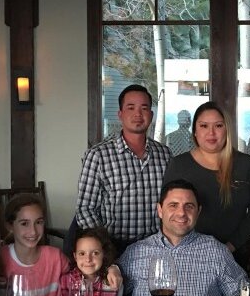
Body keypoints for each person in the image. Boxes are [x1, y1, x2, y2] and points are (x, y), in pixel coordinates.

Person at [68, 84, 172, 257]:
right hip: (113, 246)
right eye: (130, 108)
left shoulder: (164, 154)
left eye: (144, 108)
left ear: (151, 115)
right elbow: (85, 209)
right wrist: (104, 246)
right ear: (120, 114)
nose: (138, 114)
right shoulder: (98, 155)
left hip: (156, 247)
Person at [118, 179, 247, 296]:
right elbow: (108, 289)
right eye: (173, 205)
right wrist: (110, 270)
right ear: (160, 210)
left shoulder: (217, 251)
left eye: (189, 206)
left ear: (198, 211)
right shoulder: (135, 252)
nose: (181, 213)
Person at [163, 101, 250, 254]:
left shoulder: (245, 164)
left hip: (234, 254)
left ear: (227, 130)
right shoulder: (179, 165)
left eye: (218, 126)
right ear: (195, 132)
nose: (211, 133)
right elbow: (166, 212)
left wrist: (231, 246)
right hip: (188, 254)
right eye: (204, 126)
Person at [0, 194, 70, 296]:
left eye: (38, 222)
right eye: (24, 223)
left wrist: (111, 269)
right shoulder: (1, 259)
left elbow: (84, 273)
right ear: (10, 226)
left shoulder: (56, 257)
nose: (33, 231)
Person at [60, 227, 123, 296]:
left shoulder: (113, 281)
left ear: (103, 254)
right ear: (75, 256)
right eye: (82, 253)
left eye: (95, 253)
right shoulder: (64, 281)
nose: (88, 259)